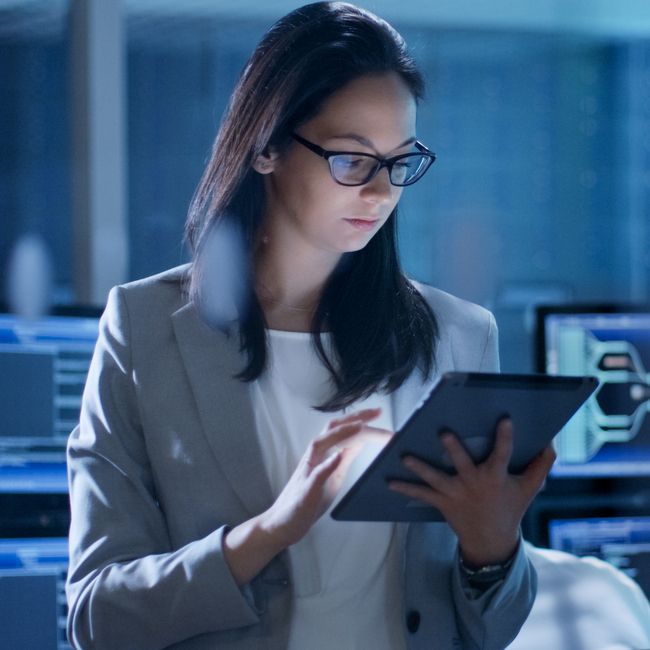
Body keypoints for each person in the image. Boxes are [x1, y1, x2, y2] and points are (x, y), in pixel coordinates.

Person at [65, 3, 556, 649]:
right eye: (352, 161)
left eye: (400, 162)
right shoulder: (147, 329)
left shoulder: (460, 335)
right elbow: (96, 619)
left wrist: (493, 550)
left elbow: (492, 631)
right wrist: (270, 531)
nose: (381, 193)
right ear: (266, 146)